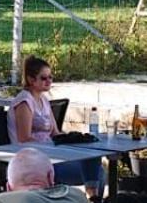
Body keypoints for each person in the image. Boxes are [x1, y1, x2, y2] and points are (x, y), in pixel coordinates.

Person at [6, 56, 103, 195]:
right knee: (96, 173)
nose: (49, 81)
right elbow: (23, 139)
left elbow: (55, 133)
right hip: (33, 160)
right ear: (31, 79)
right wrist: (50, 146)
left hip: (50, 154)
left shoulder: (44, 100)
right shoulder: (24, 102)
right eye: (44, 78)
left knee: (95, 163)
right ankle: (95, 202)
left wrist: (74, 139)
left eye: (51, 77)